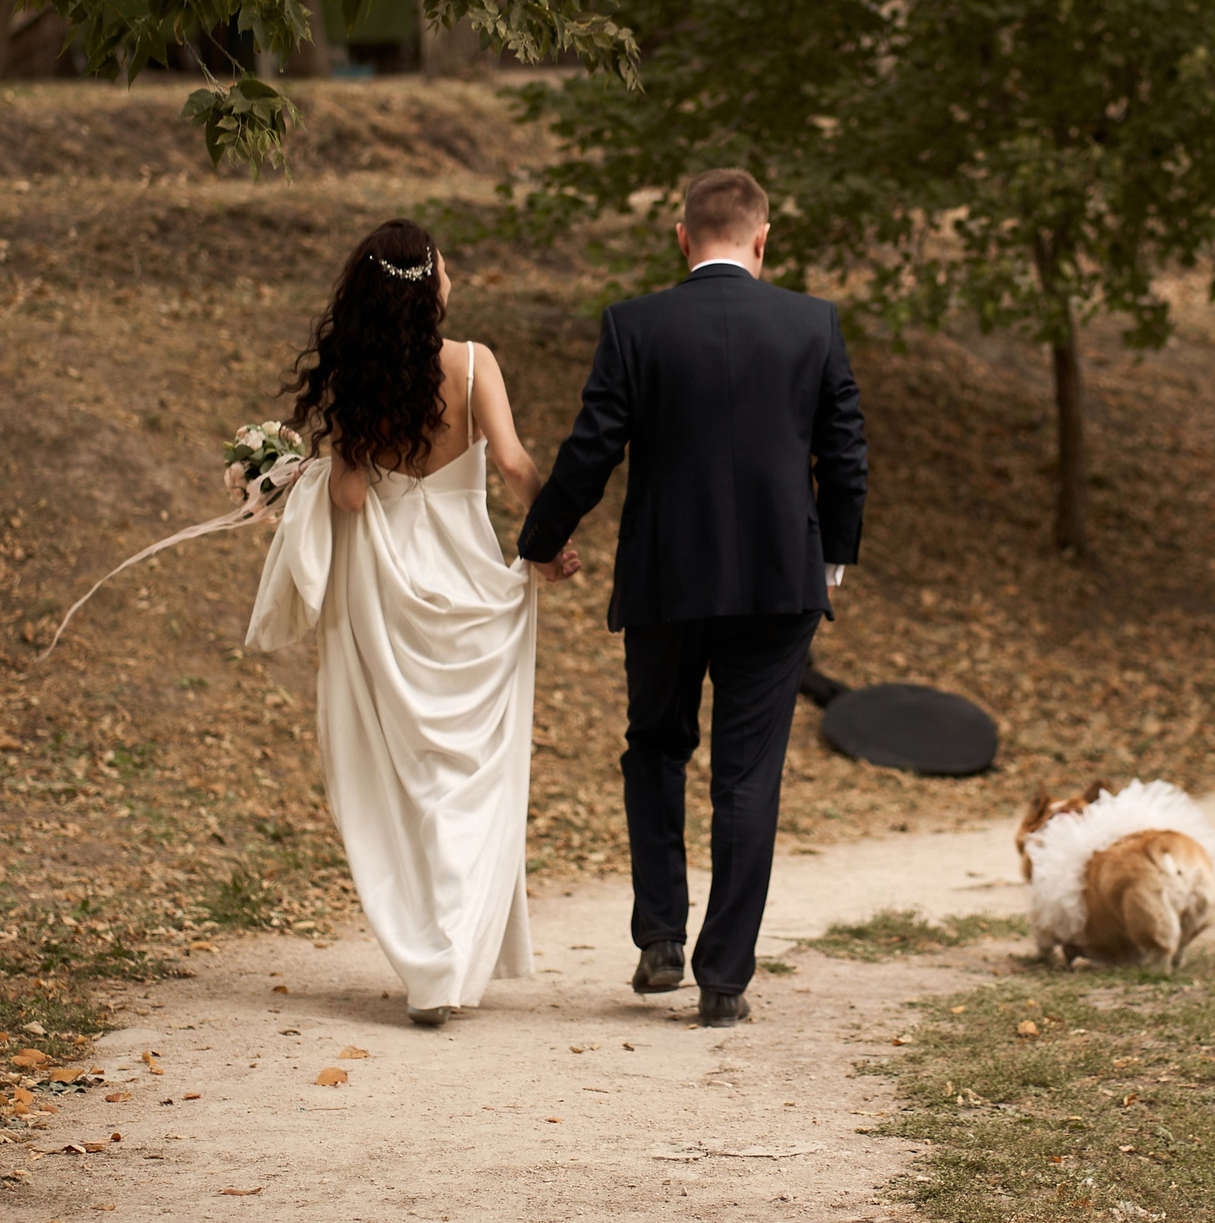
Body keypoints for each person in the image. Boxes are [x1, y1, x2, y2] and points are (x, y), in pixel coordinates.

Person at [517, 169, 869, 1028]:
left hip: (667, 578)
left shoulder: (635, 324)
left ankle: (660, 938)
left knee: (656, 748)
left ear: (681, 237)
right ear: (762, 237)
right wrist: (833, 559)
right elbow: (846, 452)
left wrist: (539, 538)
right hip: (780, 581)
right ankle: (724, 979)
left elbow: (591, 448)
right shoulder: (811, 322)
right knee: (749, 774)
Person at [245, 219, 581, 1027]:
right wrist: (552, 534)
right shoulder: (473, 363)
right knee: (471, 772)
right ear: (432, 279)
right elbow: (510, 464)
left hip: (387, 588)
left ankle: (430, 960)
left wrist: (287, 480)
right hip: (466, 580)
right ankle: (453, 959)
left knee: (404, 777)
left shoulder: (362, 380)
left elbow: (353, 497)